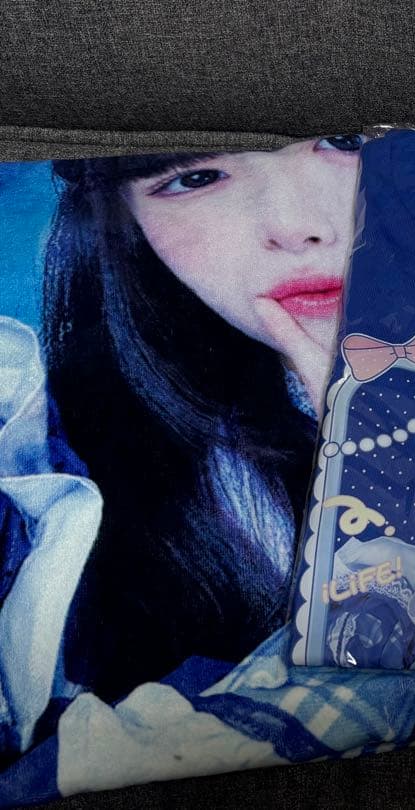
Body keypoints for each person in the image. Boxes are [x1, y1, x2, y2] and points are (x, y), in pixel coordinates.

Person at [42, 136, 362, 699]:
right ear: (127, 225)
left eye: (348, 142)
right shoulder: (73, 495)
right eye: (196, 179)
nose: (295, 226)